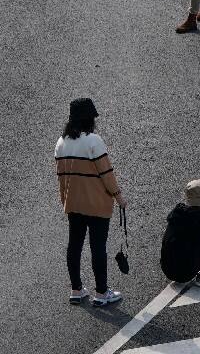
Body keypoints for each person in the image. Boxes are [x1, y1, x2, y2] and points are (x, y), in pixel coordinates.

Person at [54, 98, 125, 306]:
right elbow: (107, 174)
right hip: (96, 204)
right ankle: (101, 293)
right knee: (98, 247)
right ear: (89, 119)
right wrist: (118, 196)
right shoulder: (94, 141)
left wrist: (65, 201)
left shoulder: (61, 143)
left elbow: (61, 179)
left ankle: (76, 289)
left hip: (73, 204)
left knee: (74, 245)